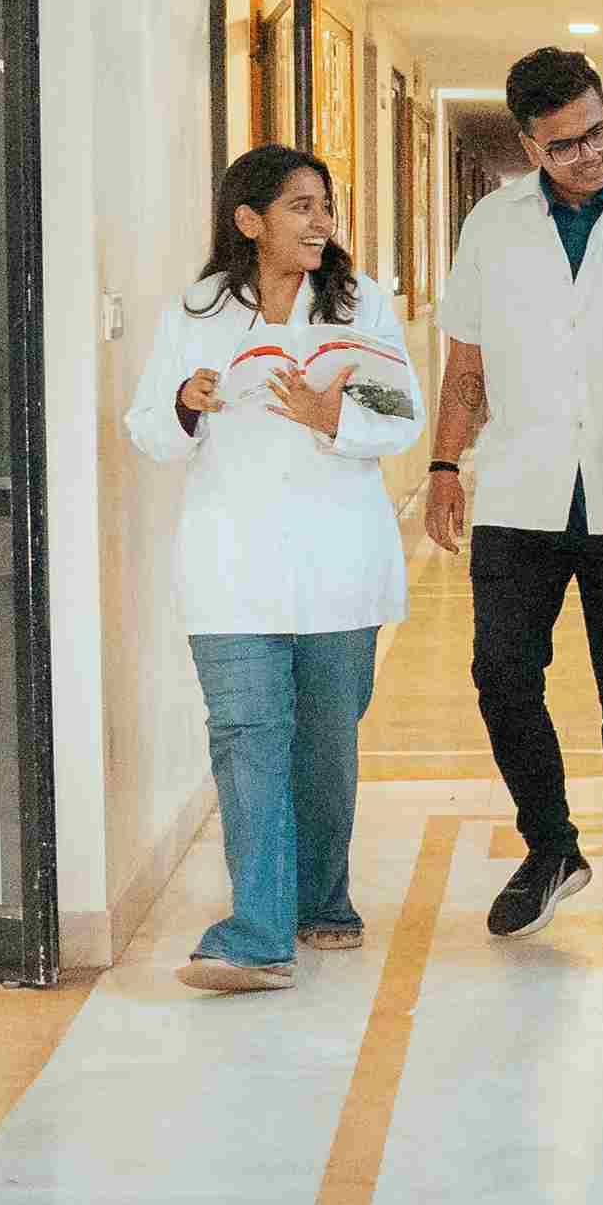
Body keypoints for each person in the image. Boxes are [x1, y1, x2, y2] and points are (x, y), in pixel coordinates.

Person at [423, 47, 603, 943]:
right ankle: (550, 845)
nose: (590, 154)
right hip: (521, 491)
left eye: (599, 132)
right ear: (528, 144)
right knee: (502, 675)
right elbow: (466, 360)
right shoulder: (492, 225)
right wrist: (442, 466)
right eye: (564, 145)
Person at [122, 146, 419, 995]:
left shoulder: (363, 305)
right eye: (300, 206)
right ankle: (255, 930)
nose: (321, 221)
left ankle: (323, 898)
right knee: (248, 738)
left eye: (326, 205)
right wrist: (186, 399)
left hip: (338, 560)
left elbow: (406, 415)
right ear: (249, 220)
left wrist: (336, 411)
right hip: (231, 561)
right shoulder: (198, 308)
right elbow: (147, 422)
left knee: (326, 743)